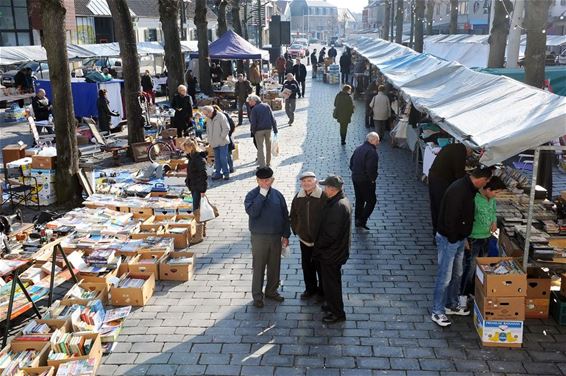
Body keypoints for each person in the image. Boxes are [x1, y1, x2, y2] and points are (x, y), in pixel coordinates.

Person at [431, 167, 493, 327]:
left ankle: (451, 304)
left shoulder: (467, 188)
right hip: (450, 239)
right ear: (482, 179)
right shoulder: (460, 190)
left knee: (457, 273)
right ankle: (437, 311)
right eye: (487, 181)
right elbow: (450, 217)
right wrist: (453, 238)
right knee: (444, 276)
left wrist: (463, 237)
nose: (485, 185)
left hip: (458, 238)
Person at [244, 167, 291, 308]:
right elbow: (253, 212)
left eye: (268, 180)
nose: (266, 183)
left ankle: (271, 291)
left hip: (275, 237)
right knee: (258, 267)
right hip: (258, 238)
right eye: (262, 181)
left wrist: (286, 234)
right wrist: (262, 195)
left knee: (274, 266)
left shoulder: (278, 195)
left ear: (272, 180)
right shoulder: (251, 195)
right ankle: (257, 295)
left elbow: (285, 215)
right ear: (257, 181)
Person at [460, 176, 506, 301]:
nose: (496, 195)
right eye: (495, 192)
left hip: (486, 236)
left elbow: (493, 211)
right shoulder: (474, 198)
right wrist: (465, 238)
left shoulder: (491, 199)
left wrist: (494, 222)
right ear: (488, 189)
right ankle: (462, 295)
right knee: (470, 267)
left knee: (481, 266)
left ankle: (474, 291)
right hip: (474, 237)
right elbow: (465, 217)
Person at [314, 175, 352, 324]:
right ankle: (331, 305)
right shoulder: (339, 201)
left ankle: (337, 313)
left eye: (325, 187)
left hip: (332, 253)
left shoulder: (338, 206)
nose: (323, 189)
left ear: (332, 189)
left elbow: (330, 234)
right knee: (331, 282)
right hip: (334, 252)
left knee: (332, 284)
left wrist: (318, 245)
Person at [290, 172, 327, 301]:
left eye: (309, 181)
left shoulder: (323, 197)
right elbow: (293, 215)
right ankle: (310, 289)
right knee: (307, 266)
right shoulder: (298, 197)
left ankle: (323, 292)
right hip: (304, 239)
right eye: (304, 181)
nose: (306, 184)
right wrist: (297, 230)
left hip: (320, 241)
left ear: (316, 182)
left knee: (321, 267)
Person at [428, 143, 473, 238]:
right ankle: (439, 233)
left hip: (436, 176)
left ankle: (437, 231)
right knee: (440, 206)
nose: (469, 156)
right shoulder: (460, 151)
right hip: (440, 180)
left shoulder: (455, 147)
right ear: (469, 150)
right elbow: (459, 174)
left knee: (436, 206)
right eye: (470, 154)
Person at [350, 132, 380, 230]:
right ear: (371, 140)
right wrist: (372, 179)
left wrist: (356, 172)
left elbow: (351, 163)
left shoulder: (358, 148)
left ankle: (357, 220)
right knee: (371, 201)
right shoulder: (372, 152)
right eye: (377, 140)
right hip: (365, 180)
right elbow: (371, 168)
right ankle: (362, 220)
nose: (378, 143)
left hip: (355, 178)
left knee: (359, 200)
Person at [248, 95, 278, 168]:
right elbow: (272, 118)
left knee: (260, 148)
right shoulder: (267, 106)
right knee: (268, 147)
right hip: (268, 129)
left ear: (254, 101)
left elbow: (253, 122)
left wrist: (253, 131)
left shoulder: (254, 109)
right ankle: (268, 164)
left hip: (259, 131)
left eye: (250, 101)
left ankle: (262, 165)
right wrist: (275, 129)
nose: (249, 103)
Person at [202, 105, 230, 180]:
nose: (205, 116)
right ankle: (218, 173)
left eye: (206, 114)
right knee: (217, 159)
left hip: (222, 141)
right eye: (204, 114)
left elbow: (226, 128)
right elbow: (208, 130)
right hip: (214, 142)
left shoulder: (221, 116)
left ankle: (226, 173)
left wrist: (221, 137)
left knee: (223, 158)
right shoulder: (208, 118)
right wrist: (209, 140)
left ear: (211, 112)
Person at [182, 139, 208, 211]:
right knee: (196, 205)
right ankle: (199, 219)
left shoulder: (198, 159)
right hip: (193, 185)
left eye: (186, 149)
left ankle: (199, 220)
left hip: (197, 186)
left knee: (196, 207)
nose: (185, 151)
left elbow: (203, 175)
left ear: (190, 148)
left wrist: (203, 190)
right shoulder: (192, 157)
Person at [214, 104, 236, 173]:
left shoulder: (225, 115)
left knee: (228, 154)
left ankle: (231, 168)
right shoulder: (212, 117)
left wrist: (228, 134)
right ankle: (226, 169)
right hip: (218, 139)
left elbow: (232, 126)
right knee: (224, 155)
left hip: (227, 138)